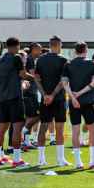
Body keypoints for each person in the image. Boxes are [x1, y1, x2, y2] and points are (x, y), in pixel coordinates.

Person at [62, 42, 94, 169]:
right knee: (92, 130)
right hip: (87, 101)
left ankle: (78, 163)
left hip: (74, 102)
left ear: (75, 51)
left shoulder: (68, 64)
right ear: (86, 50)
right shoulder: (92, 64)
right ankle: (92, 161)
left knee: (75, 131)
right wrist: (79, 94)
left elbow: (64, 84)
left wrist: (73, 97)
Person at [0, 38, 34, 168]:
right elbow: (23, 74)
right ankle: (17, 160)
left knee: (2, 128)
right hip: (15, 98)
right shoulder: (16, 57)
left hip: (4, 98)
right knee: (17, 128)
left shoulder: (1, 60)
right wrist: (36, 79)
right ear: (17, 46)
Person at [34, 35, 69, 166]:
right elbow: (63, 80)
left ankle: (41, 159)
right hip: (58, 98)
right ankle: (60, 160)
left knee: (43, 127)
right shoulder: (64, 60)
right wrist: (53, 95)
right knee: (59, 129)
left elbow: (36, 79)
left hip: (45, 99)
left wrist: (44, 95)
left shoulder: (40, 60)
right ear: (58, 45)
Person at [21, 42, 41, 148]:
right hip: (29, 92)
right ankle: (25, 138)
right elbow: (33, 75)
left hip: (31, 92)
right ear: (33, 49)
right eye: (38, 50)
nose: (40, 52)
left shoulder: (31, 59)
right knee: (33, 116)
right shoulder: (29, 59)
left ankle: (26, 139)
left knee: (32, 116)